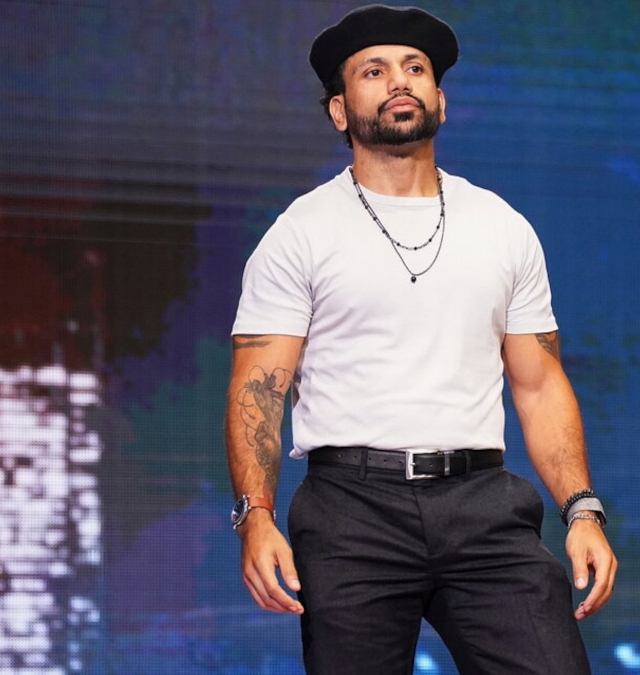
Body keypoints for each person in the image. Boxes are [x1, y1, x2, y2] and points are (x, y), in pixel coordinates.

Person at [225, 5, 617, 674]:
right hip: (351, 510)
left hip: (483, 503)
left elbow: (539, 382)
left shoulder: (501, 226)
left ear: (440, 99)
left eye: (415, 68)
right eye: (374, 71)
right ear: (340, 111)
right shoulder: (300, 232)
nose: (399, 81)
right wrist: (254, 516)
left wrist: (582, 509)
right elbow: (259, 386)